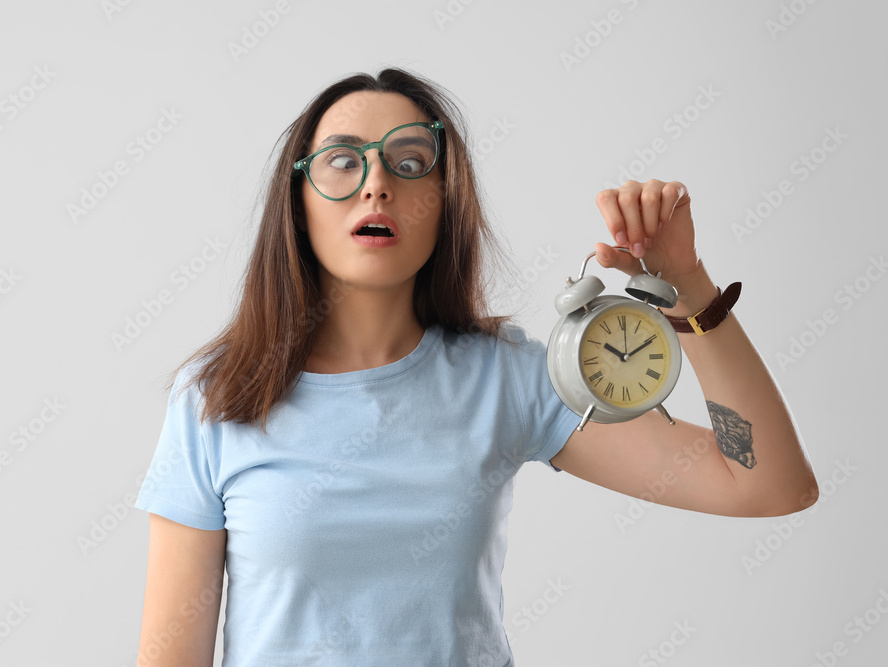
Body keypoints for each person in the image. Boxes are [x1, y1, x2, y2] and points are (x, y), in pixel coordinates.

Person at [134, 67, 819, 666]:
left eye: (409, 161)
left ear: (444, 204)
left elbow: (766, 484)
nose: (376, 184)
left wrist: (688, 286)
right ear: (298, 199)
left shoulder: (511, 377)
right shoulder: (217, 397)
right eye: (343, 161)